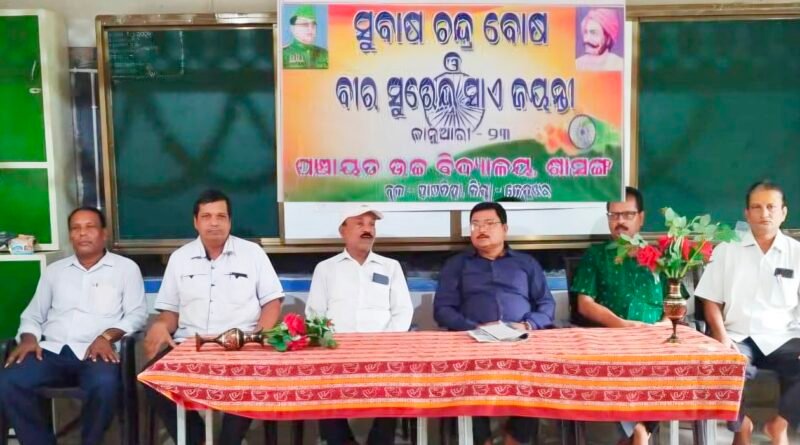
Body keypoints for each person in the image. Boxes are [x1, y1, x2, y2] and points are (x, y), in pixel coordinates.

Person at [143, 189, 284, 445]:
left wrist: (257, 337)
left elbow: (272, 302)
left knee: (252, 378)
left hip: (240, 345)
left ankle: (230, 440)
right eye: (206, 216)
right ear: (195, 222)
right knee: (151, 377)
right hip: (189, 344)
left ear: (230, 221)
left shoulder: (252, 253)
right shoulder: (179, 258)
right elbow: (170, 312)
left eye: (221, 216)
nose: (214, 223)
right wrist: (161, 325)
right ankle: (196, 439)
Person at [0, 207, 147, 445]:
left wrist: (106, 337)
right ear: (70, 235)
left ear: (104, 233)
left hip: (97, 353)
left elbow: (137, 314)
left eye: (90, 227)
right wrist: (28, 338)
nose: (82, 233)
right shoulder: (55, 271)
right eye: (76, 228)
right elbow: (33, 314)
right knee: (8, 381)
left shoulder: (125, 269)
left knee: (105, 385)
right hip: (51, 351)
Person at [434, 201, 555, 445]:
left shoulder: (526, 263)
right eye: (475, 224)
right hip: (474, 341)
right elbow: (442, 309)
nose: (481, 229)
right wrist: (473, 328)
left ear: (505, 229)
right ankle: (482, 440)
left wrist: (528, 325)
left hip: (520, 339)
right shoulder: (457, 265)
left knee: (536, 372)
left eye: (489, 223)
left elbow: (546, 304)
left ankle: (515, 438)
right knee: (464, 377)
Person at [695, 181, 800, 445]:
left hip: (784, 336)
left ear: (783, 212)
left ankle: (780, 425)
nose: (764, 213)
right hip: (737, 335)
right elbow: (711, 300)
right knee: (723, 364)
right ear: (747, 213)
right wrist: (721, 336)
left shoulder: (796, 253)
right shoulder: (726, 250)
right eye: (757, 207)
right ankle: (740, 426)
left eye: (771, 207)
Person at [306, 203, 413, 445]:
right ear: (342, 230)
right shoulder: (325, 269)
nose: (368, 230)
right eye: (359, 224)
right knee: (319, 378)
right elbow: (314, 315)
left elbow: (403, 311)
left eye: (371, 225)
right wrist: (331, 343)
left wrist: (384, 343)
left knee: (397, 379)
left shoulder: (390, 267)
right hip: (337, 351)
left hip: (383, 350)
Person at [571, 186, 664, 445]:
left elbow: (674, 302)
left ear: (641, 218)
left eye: (627, 215)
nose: (619, 221)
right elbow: (584, 304)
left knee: (669, 368)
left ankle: (637, 431)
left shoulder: (659, 258)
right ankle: (640, 430)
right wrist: (621, 325)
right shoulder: (596, 255)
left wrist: (665, 326)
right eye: (614, 215)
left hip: (655, 338)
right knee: (621, 367)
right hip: (610, 338)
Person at [283, 5, 329, 69]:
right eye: (304, 24)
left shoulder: (325, 54)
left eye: (313, 24)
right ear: (293, 28)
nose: (310, 28)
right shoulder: (283, 54)